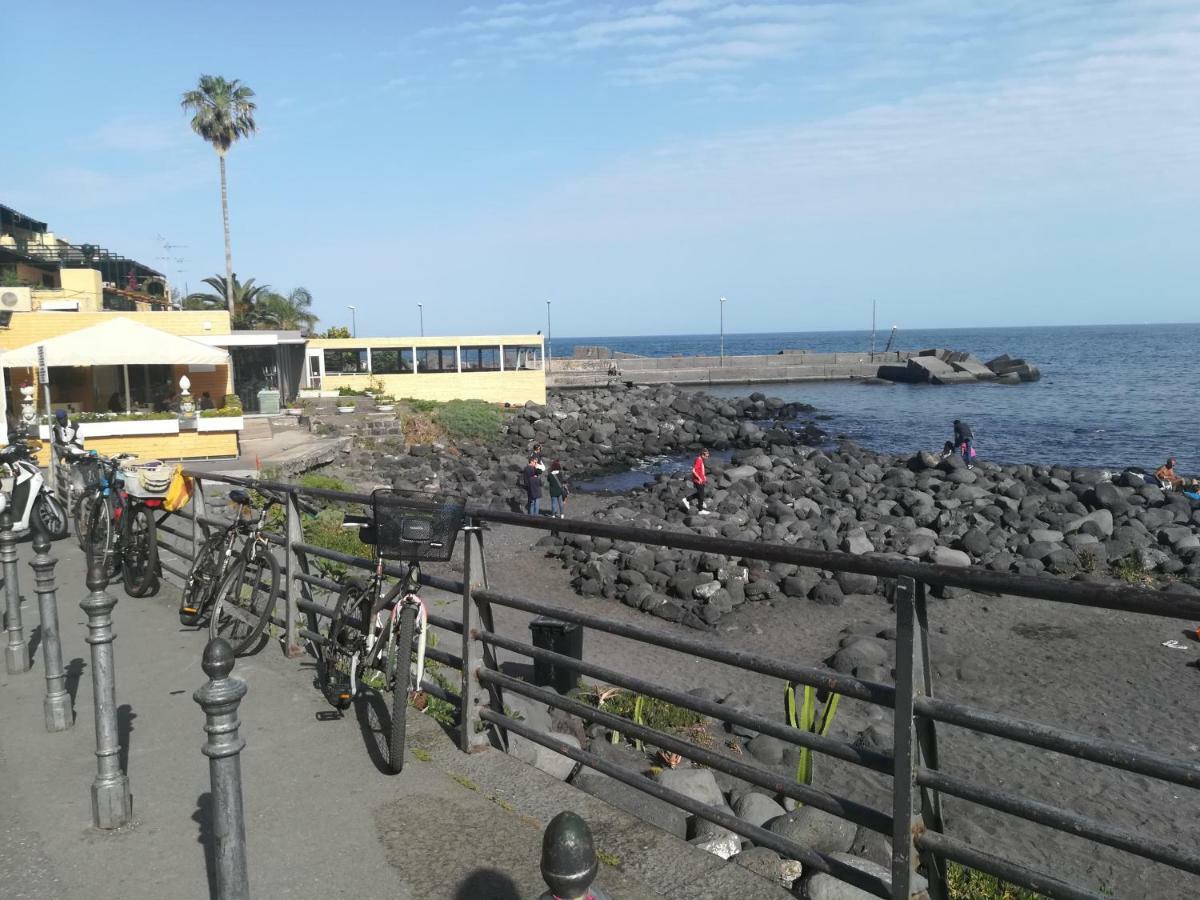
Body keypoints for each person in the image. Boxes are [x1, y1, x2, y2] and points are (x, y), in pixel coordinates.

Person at [682, 448, 711, 515]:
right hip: (698, 481)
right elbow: (693, 470)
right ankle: (700, 510)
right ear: (702, 455)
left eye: (708, 455)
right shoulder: (698, 460)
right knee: (701, 495)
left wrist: (704, 477)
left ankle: (686, 499)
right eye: (706, 456)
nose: (707, 457)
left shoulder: (701, 459)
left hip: (701, 480)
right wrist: (699, 478)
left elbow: (701, 470)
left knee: (700, 494)